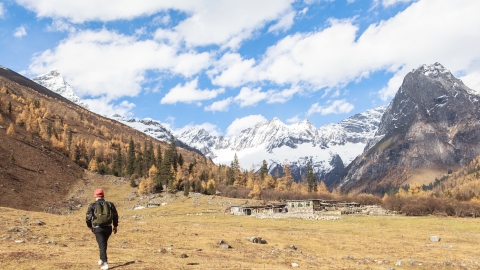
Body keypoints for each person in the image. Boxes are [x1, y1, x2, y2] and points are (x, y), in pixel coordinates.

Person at [86, 189, 119, 270]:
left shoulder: (92, 205)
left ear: (95, 196)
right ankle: (101, 258)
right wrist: (115, 226)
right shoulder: (110, 204)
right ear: (103, 195)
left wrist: (90, 226)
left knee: (102, 245)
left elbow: (88, 218)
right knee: (103, 244)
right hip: (108, 228)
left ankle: (105, 263)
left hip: (98, 228)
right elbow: (115, 215)